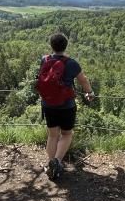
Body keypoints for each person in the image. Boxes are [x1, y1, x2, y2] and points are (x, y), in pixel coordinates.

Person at [35, 33, 94, 180]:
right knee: (67, 134)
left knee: (52, 135)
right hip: (66, 106)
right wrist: (90, 93)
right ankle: (57, 161)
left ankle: (51, 165)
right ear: (66, 46)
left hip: (48, 104)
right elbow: (83, 81)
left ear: (51, 46)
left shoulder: (45, 59)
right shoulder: (72, 63)